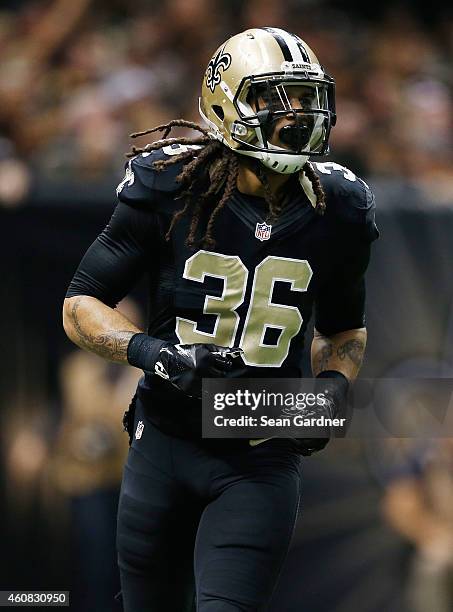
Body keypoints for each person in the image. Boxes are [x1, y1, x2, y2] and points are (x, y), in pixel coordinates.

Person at [63, 27, 378, 612]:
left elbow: (344, 332)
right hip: (164, 443)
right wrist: (153, 354)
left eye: (306, 99)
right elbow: (80, 304)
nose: (296, 116)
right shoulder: (170, 186)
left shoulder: (341, 209)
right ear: (224, 104)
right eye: (272, 98)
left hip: (259, 454)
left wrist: (330, 396)